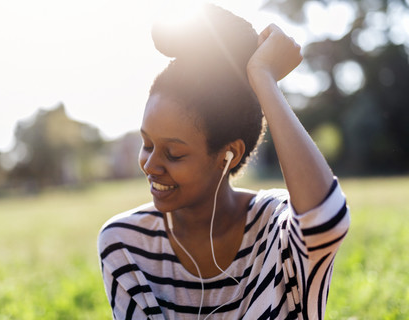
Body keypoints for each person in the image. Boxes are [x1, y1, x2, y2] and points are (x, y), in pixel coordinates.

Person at [98, 4, 350, 319]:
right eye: (147, 144)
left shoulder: (276, 227)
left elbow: (325, 220)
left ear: (229, 154)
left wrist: (263, 78)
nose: (150, 165)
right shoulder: (125, 242)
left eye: (173, 153)